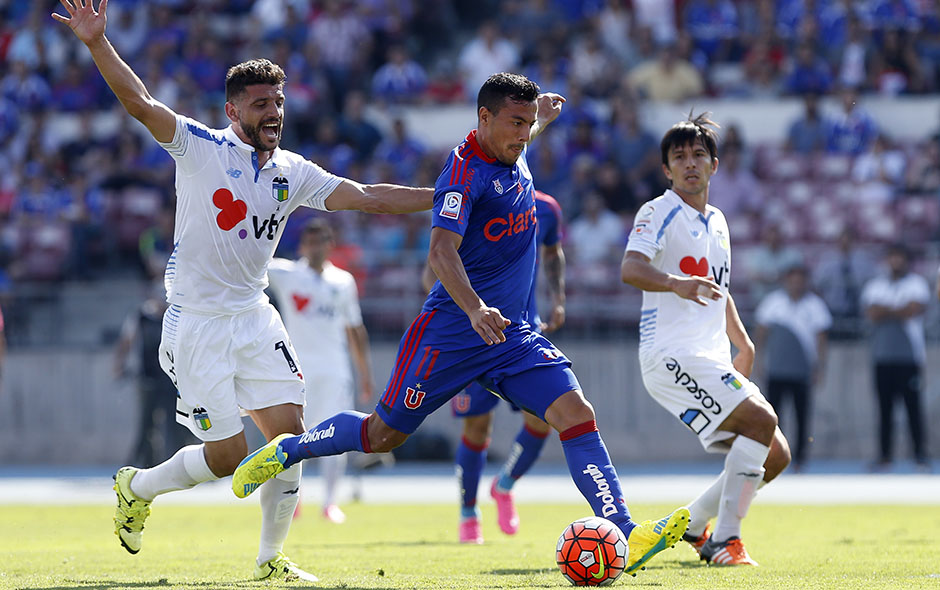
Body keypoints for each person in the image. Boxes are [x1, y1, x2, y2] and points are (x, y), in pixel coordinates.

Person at [234, 73, 690, 578]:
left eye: (529, 124)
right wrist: (474, 308)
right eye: (515, 123)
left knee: (575, 412)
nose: (523, 134)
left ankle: (624, 530)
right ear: (484, 118)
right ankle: (288, 449)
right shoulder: (463, 172)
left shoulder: (512, 149)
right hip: (451, 332)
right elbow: (440, 252)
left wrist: (542, 118)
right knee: (382, 435)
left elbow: (521, 137)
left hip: (511, 335)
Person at [54, 0, 432, 582]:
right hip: (197, 322)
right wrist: (97, 42)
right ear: (233, 109)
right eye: (261, 104)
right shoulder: (199, 147)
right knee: (228, 457)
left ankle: (269, 559)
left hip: (254, 316)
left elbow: (368, 196)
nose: (274, 112)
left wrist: (447, 196)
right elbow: (140, 104)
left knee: (291, 439)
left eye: (279, 102)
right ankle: (138, 487)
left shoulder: (292, 171)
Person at [621, 113, 791, 567]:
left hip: (708, 354)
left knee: (775, 454)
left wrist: (743, 342)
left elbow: (718, 289)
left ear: (715, 165)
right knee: (762, 421)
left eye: (698, 155)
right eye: (679, 157)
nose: (690, 163)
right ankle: (725, 540)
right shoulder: (658, 211)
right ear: (666, 170)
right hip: (670, 354)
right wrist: (674, 283)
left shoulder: (717, 220)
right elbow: (630, 268)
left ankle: (694, 524)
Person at [421, 189, 565, 544]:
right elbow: (432, 272)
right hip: (473, 339)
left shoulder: (546, 208)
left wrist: (558, 297)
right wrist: (464, 311)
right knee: (477, 427)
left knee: (543, 419)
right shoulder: (471, 204)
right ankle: (468, 513)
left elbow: (553, 251)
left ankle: (504, 485)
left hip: (522, 335)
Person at [266, 218, 376, 524]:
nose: (316, 248)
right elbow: (252, 262)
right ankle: (292, 499)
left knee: (335, 435)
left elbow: (355, 328)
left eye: (321, 242)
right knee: (292, 435)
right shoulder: (286, 273)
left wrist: (365, 374)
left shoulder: (343, 281)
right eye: (310, 242)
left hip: (335, 369)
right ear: (303, 245)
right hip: (295, 370)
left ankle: (329, 502)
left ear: (330, 245)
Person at [754, 263, 832, 472]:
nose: (796, 284)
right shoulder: (773, 303)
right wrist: (759, 360)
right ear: (786, 281)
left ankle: (800, 458)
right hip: (777, 369)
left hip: (802, 370)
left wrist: (820, 367)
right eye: (793, 280)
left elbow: (821, 339)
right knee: (773, 416)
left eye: (800, 280)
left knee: (802, 416)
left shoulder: (815, 305)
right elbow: (761, 334)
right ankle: (774, 457)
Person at [860, 243, 930, 472]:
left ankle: (920, 455)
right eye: (892, 257)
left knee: (913, 408)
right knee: (885, 409)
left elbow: (914, 309)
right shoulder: (875, 285)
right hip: (882, 357)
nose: (896, 262)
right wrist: (898, 309)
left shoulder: (916, 283)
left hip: (909, 358)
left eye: (900, 257)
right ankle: (885, 457)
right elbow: (872, 313)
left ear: (907, 260)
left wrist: (886, 310)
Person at [114, 283, 197, 468]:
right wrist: (118, 366)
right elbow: (126, 342)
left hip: (173, 380)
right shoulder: (141, 317)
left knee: (179, 424)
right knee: (146, 426)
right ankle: (143, 466)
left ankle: (182, 465)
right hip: (148, 378)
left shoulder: (177, 317)